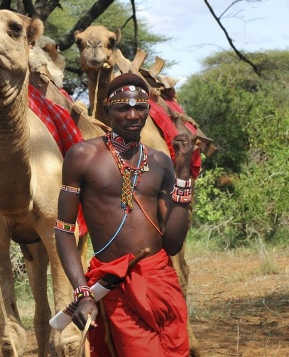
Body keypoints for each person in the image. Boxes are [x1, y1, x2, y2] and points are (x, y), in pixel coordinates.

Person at [55, 72, 194, 356]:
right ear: (108, 111)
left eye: (140, 107)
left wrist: (183, 175)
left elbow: (173, 243)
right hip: (116, 287)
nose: (133, 115)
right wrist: (82, 294)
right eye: (122, 108)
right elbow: (64, 229)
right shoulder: (82, 156)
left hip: (161, 283)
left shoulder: (161, 162)